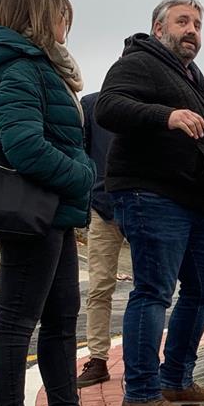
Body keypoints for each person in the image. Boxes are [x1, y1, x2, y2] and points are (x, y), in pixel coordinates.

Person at [0, 0, 114, 406]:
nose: (67, 22)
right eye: (61, 12)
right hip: (33, 212)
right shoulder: (21, 69)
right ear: (39, 14)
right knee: (15, 322)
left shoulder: (44, 68)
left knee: (60, 321)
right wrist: (83, 175)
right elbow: (24, 144)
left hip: (53, 213)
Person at [95, 0, 204, 406]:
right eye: (182, 21)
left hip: (197, 200)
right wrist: (166, 116)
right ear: (159, 29)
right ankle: (140, 392)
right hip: (151, 193)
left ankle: (175, 378)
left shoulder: (191, 75)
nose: (192, 29)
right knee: (154, 290)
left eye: (197, 23)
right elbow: (108, 107)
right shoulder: (139, 60)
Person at [77, 92, 127, 386]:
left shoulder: (154, 104)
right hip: (102, 208)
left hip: (144, 205)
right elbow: (80, 153)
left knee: (149, 290)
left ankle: (142, 360)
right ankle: (97, 359)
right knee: (99, 288)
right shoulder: (92, 105)